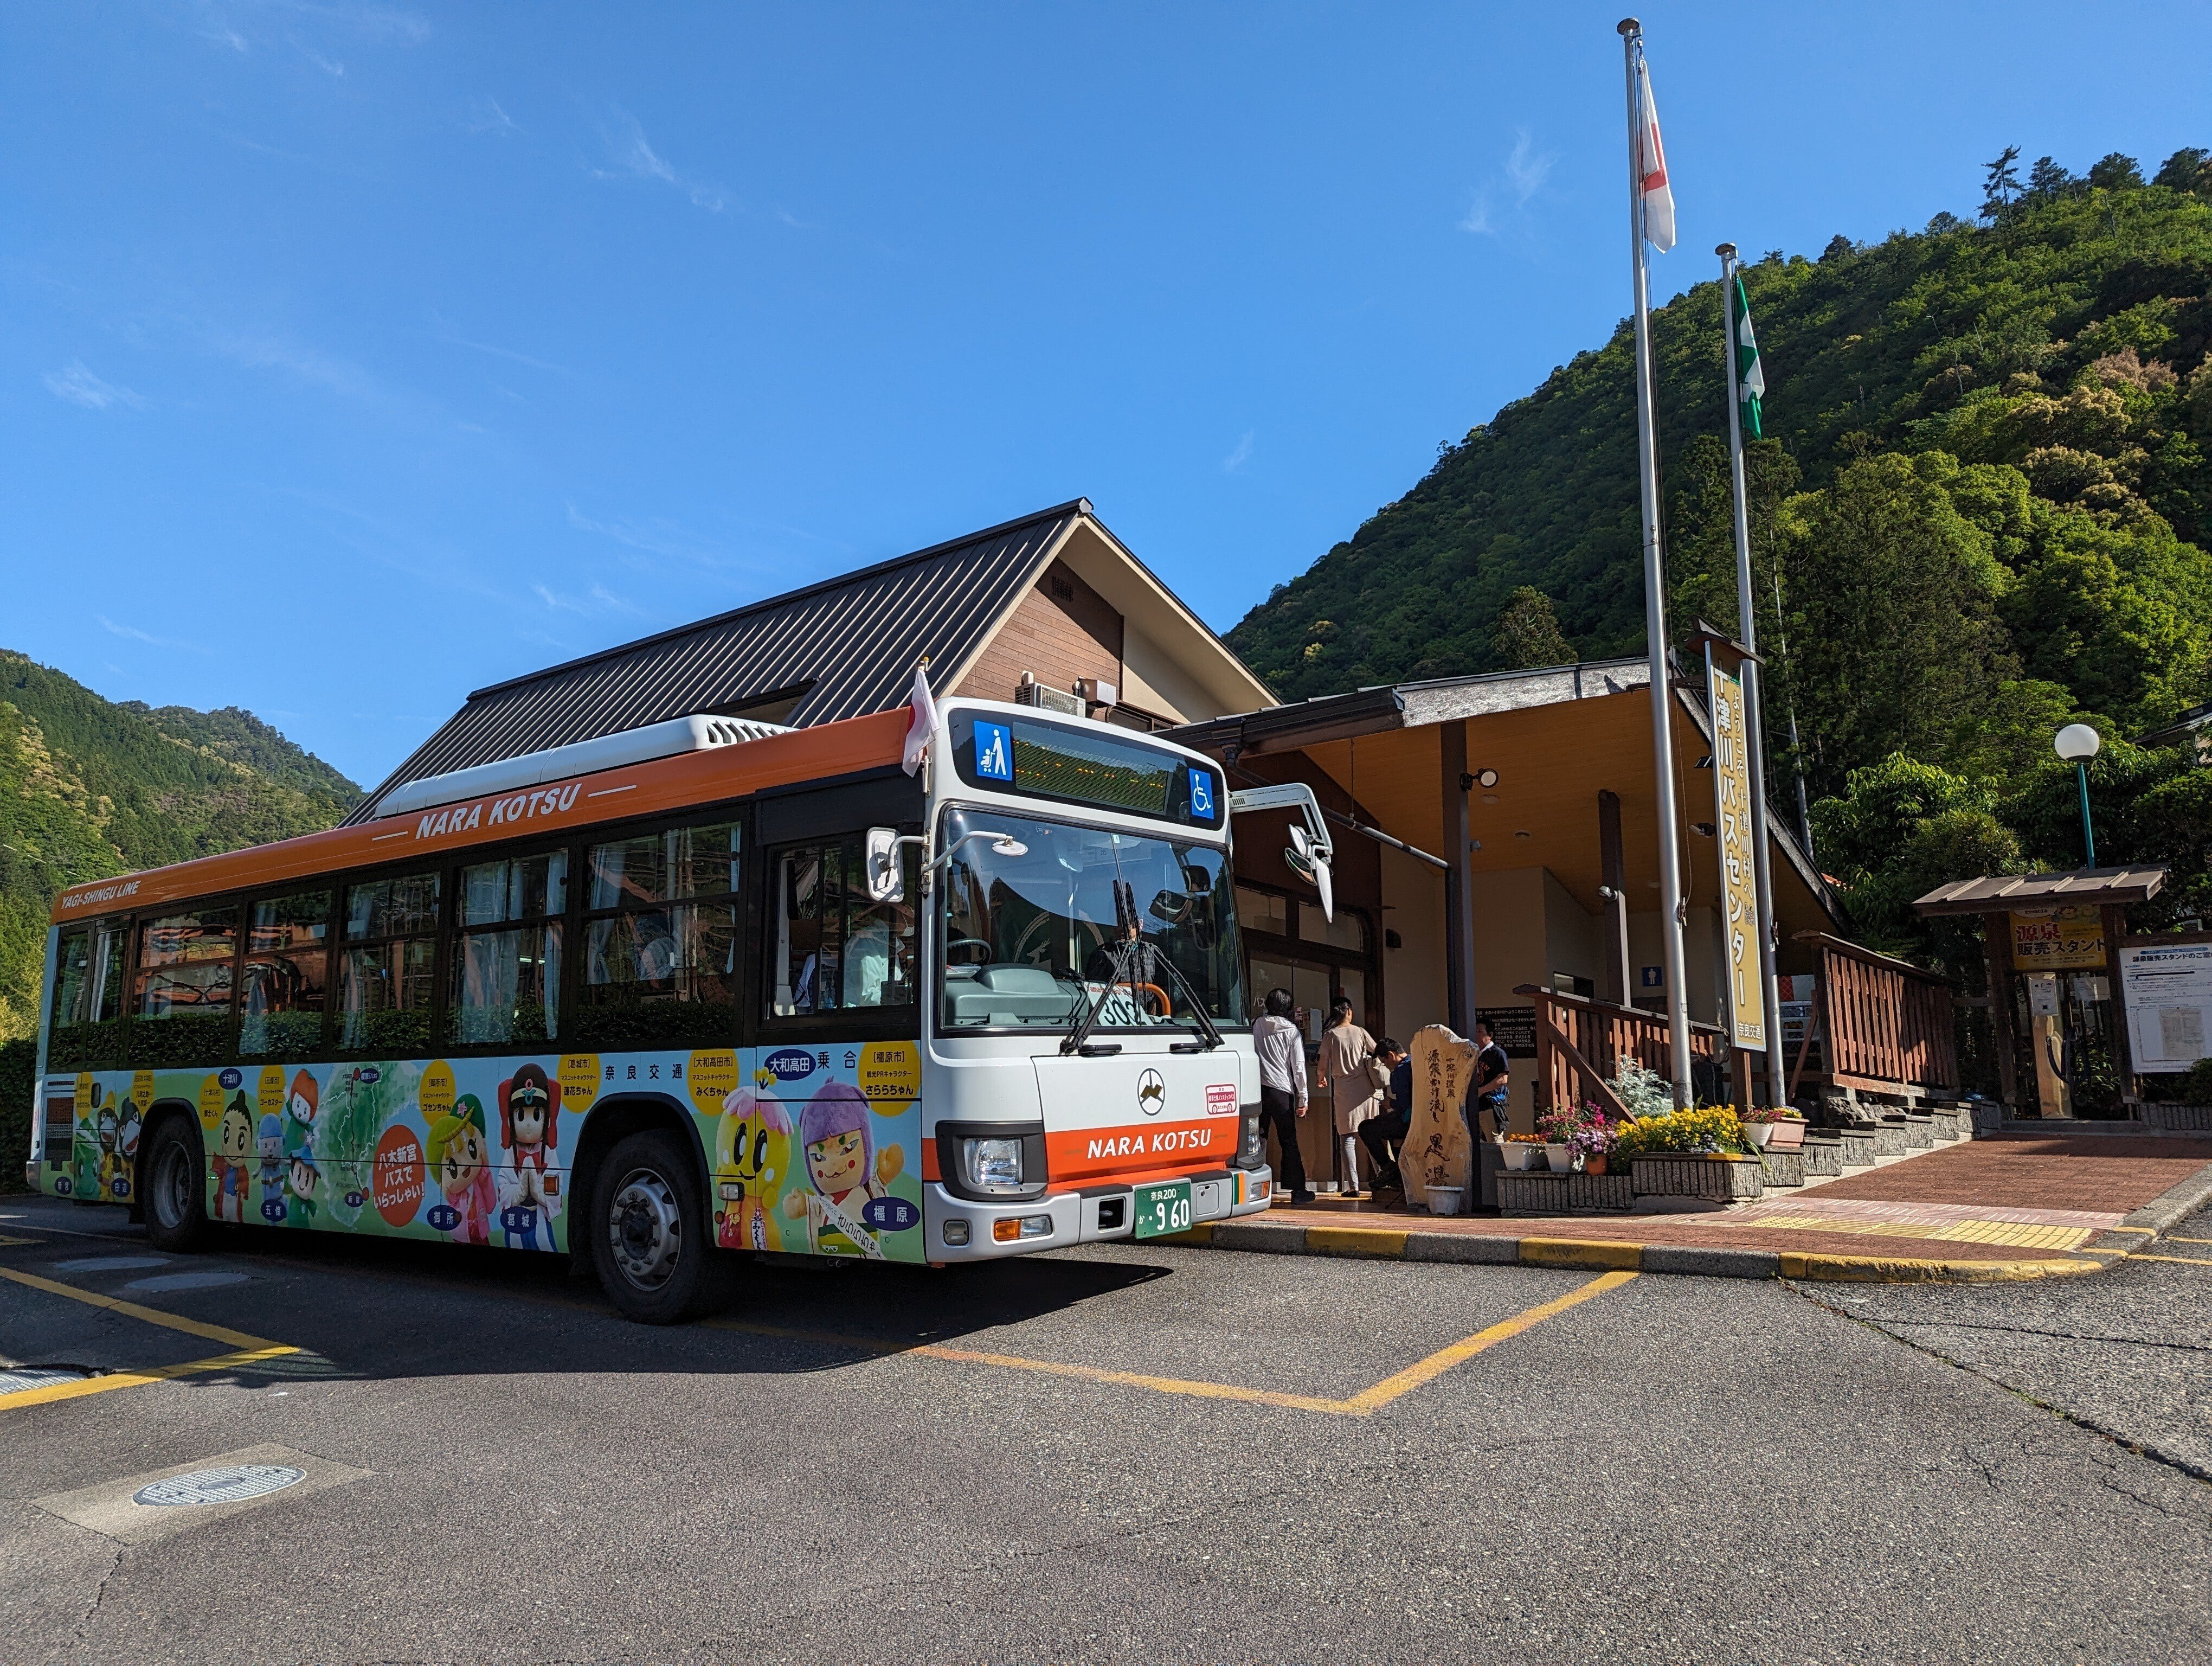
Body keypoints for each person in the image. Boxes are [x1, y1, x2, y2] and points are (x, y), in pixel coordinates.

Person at [1316, 996, 1381, 1197]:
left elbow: (1322, 1065)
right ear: (1349, 1012)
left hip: (1343, 1090)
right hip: (1366, 1090)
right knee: (1373, 1135)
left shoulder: (1330, 1036)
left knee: (1348, 1138)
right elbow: (1378, 1050)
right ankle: (1383, 1179)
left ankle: (1353, 1187)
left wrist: (1321, 1078)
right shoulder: (1360, 1032)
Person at [1251, 987, 1311, 1203]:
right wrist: (1303, 1097)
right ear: (1287, 1008)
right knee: (1288, 1140)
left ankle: (1255, 1188)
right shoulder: (1292, 1032)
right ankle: (1297, 1191)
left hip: (1257, 1089)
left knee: (1258, 1138)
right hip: (1281, 1092)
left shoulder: (1257, 1024)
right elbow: (1299, 1067)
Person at [1356, 1038, 1411, 1201]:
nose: (1386, 1066)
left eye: (1384, 1062)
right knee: (1385, 1125)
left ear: (1391, 1055)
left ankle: (1389, 1168)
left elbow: (1403, 1103)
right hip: (1412, 1117)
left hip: (1407, 1119)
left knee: (1366, 1128)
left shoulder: (1402, 1070)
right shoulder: (1415, 1063)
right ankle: (1396, 1172)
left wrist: (1390, 1103)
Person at [1468, 1017, 1511, 1138]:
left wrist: (1481, 1091)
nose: (1476, 1034)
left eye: (1480, 1031)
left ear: (1490, 1035)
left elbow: (1503, 1079)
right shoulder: (1475, 1054)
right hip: (1476, 1106)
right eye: (1475, 1031)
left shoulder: (1497, 1053)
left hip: (1491, 1105)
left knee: (1494, 1142)